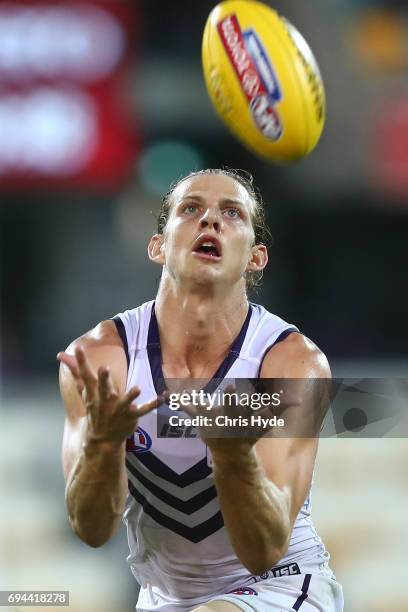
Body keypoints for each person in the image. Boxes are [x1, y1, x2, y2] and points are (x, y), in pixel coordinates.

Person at [58, 168, 344, 612]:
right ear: (158, 245)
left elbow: (263, 549)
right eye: (191, 209)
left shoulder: (294, 364)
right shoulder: (100, 359)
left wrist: (232, 455)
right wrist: (102, 443)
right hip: (164, 596)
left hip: (281, 583)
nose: (210, 220)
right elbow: (91, 530)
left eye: (232, 213)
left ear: (256, 257)